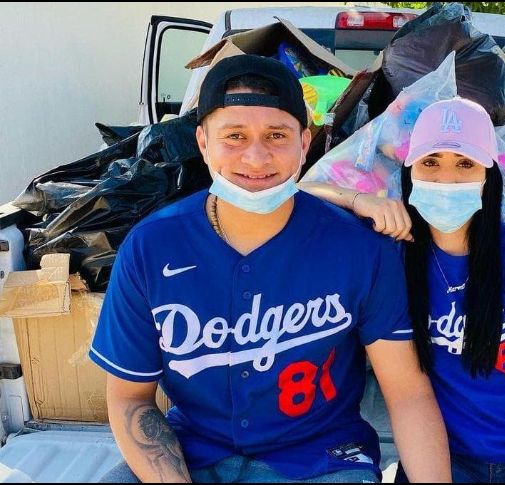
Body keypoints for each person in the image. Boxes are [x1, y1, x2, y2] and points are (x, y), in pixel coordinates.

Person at [89, 54, 450, 483]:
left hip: (322, 460)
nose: (256, 157)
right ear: (203, 142)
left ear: (304, 143)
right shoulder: (151, 247)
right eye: (235, 136)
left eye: (276, 135)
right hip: (191, 454)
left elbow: (407, 392)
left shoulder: (361, 248)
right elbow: (130, 398)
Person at [300, 97, 505, 483]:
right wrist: (358, 199)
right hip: (441, 457)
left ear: (488, 176)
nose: (445, 180)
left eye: (465, 164)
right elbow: (295, 195)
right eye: (430, 162)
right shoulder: (393, 253)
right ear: (409, 172)